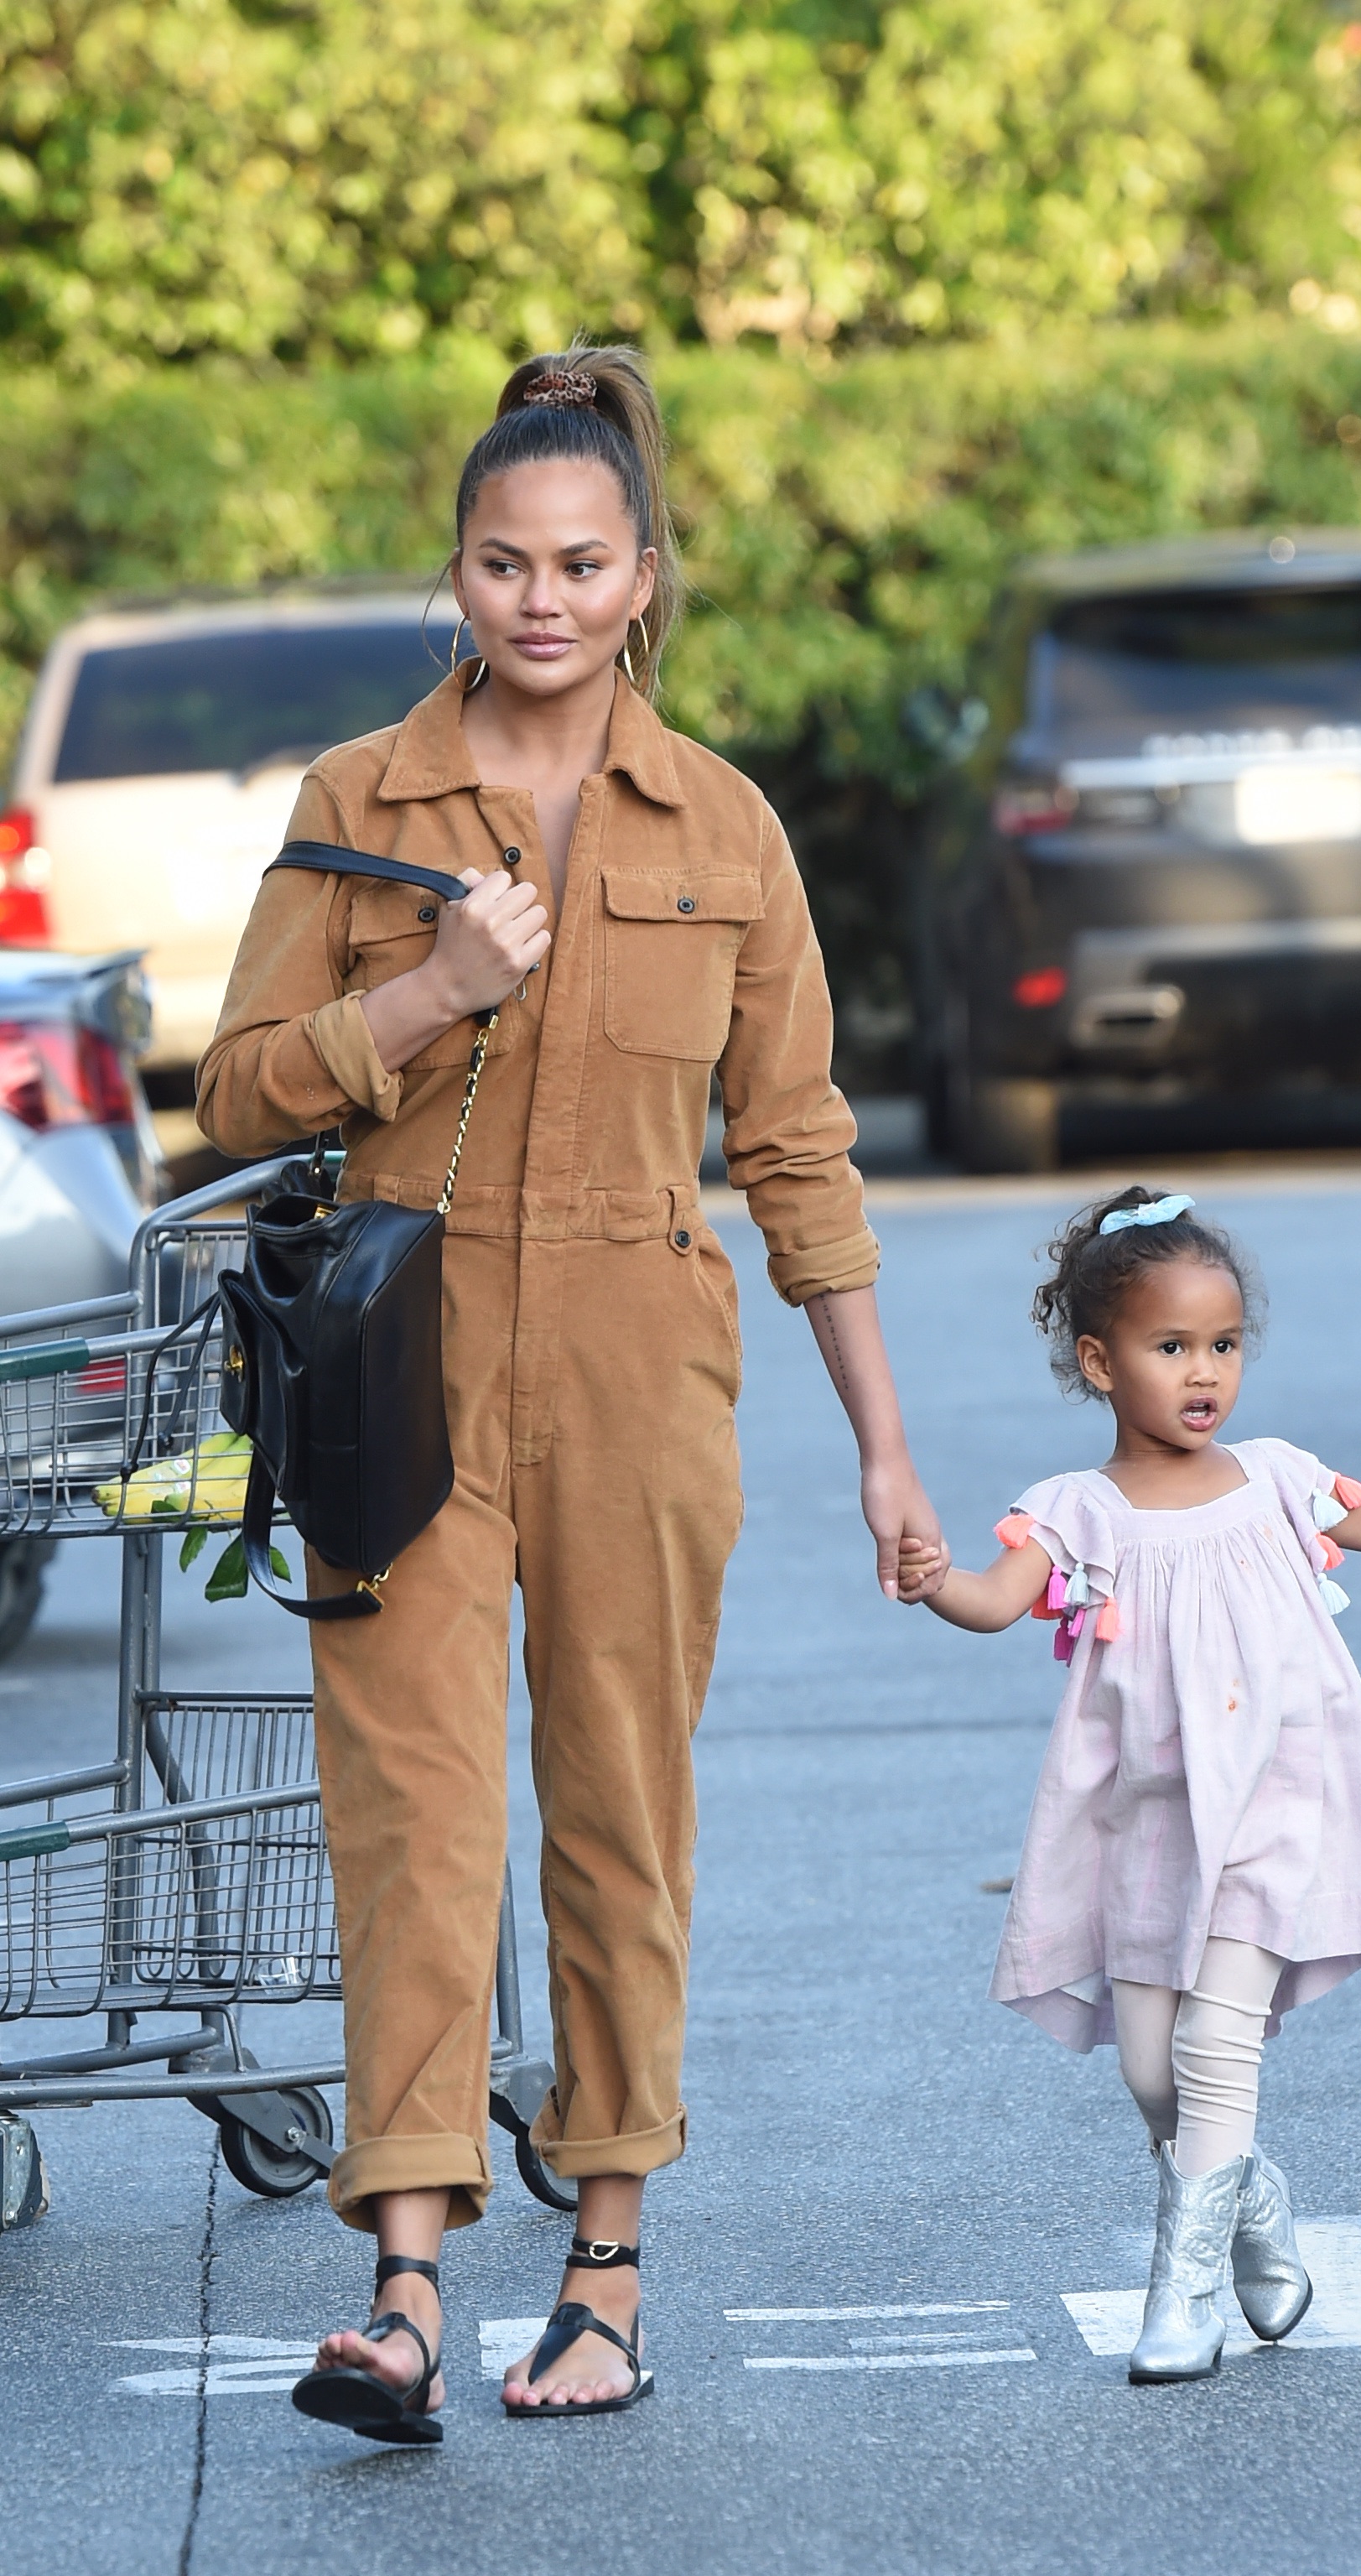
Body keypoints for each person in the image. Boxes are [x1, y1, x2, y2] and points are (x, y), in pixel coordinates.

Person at [196, 346, 943, 2434]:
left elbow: (794, 1151)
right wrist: (426, 996)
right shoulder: (363, 803)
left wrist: (883, 1444)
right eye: (504, 561)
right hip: (393, 1360)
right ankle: (408, 2281)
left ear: (642, 580)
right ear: (456, 574)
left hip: (640, 1356)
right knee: (413, 1814)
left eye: (582, 563)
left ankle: (605, 2266)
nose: (541, 597)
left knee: (618, 1814)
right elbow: (234, 1094)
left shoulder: (724, 827)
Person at [898, 1185, 1361, 2384]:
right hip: (1146, 1823)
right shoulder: (1078, 1512)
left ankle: (1181, 2297)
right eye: (1169, 1346)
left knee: (1217, 2045)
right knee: (1147, 2069)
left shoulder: (1278, 1479)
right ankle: (1250, 2200)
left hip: (1281, 1801)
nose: (1204, 1372)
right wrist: (932, 1578)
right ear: (1097, 1360)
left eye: (1224, 1345)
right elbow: (989, 1601)